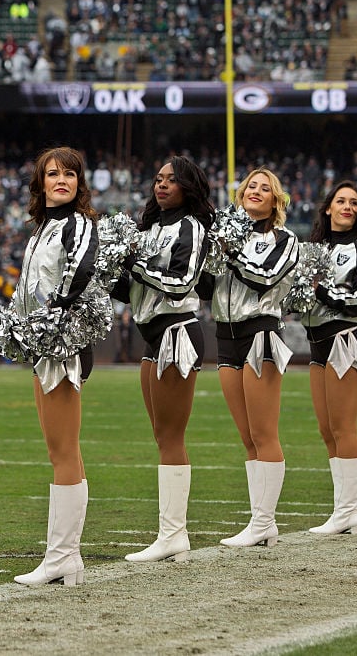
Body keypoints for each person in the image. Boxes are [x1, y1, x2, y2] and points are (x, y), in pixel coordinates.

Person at [112, 156, 213, 561]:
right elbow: (134, 291)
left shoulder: (191, 227)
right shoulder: (149, 229)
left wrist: (135, 264)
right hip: (153, 338)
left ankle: (174, 534)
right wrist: (110, 271)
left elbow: (183, 282)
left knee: (171, 437)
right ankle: (171, 533)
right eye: (158, 179)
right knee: (161, 436)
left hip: (177, 332)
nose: (162, 185)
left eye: (172, 179)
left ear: (189, 186)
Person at [13, 146, 98, 585]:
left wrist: (55, 316)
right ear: (40, 183)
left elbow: (80, 271)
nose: (60, 180)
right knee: (59, 448)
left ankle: (63, 555)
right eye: (52, 173)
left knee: (63, 448)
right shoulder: (43, 228)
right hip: (43, 343)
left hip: (63, 342)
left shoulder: (78, 223)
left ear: (79, 184)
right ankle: (66, 556)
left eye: (69, 174)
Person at [213, 167, 298, 548]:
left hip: (260, 331)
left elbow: (263, 278)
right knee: (247, 435)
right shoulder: (224, 235)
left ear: (275, 200)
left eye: (265, 188)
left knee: (264, 432)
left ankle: (264, 521)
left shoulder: (285, 239)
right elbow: (204, 288)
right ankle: (260, 521)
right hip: (225, 334)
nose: (257, 191)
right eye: (251, 186)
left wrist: (229, 253)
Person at [302, 181, 357, 535]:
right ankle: (343, 509)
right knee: (326, 428)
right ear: (328, 208)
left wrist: (321, 291)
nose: (347, 206)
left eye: (353, 202)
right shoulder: (313, 248)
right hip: (316, 342)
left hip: (345, 339)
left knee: (343, 427)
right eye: (341, 201)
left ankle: (350, 510)